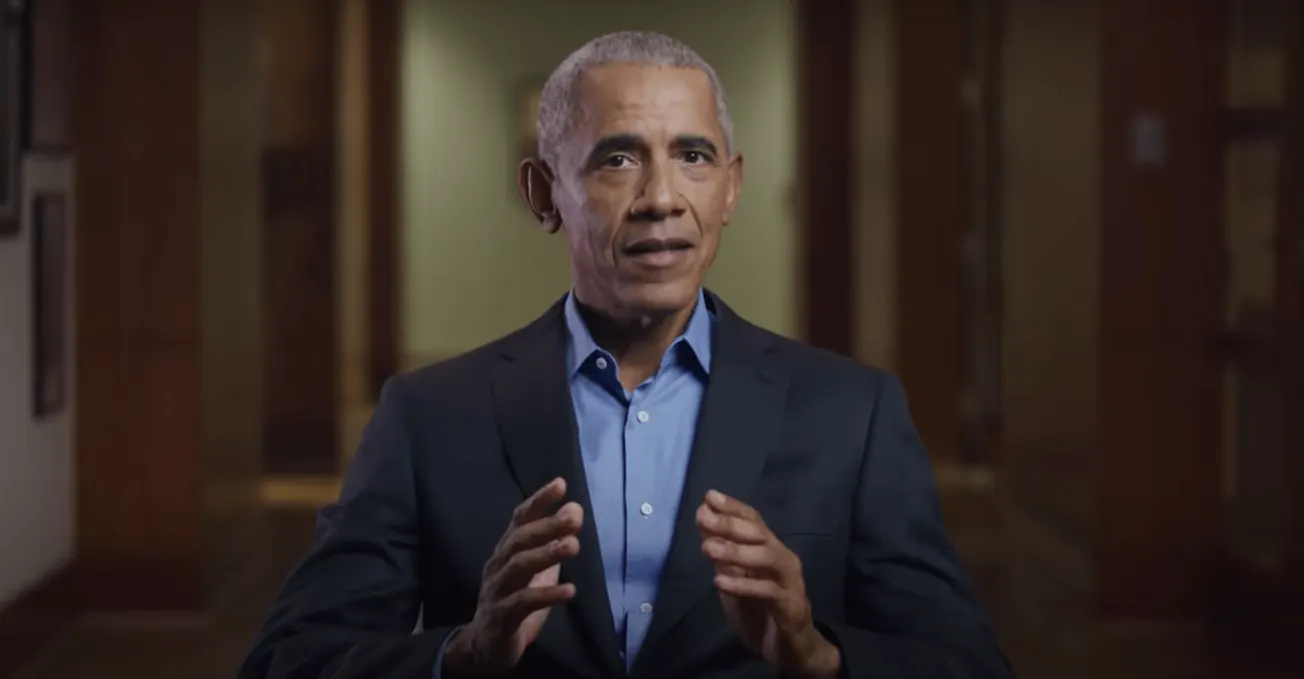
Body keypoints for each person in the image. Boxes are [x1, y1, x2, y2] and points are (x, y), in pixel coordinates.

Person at [239, 30, 1013, 679]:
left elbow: (967, 662)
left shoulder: (853, 413)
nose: (662, 198)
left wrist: (819, 657)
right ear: (543, 194)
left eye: (693, 156)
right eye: (618, 159)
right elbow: (287, 659)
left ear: (731, 189)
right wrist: (464, 654)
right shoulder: (427, 417)